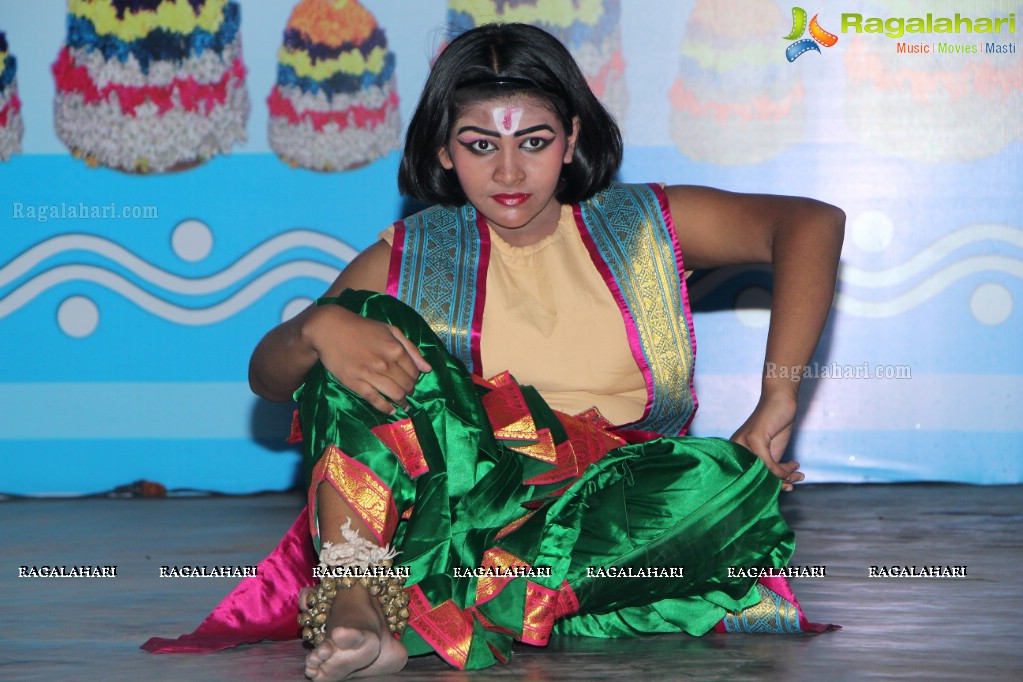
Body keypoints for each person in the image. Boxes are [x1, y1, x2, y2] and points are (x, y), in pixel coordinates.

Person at [143, 22, 843, 681]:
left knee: (727, 483)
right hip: (468, 506)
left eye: (532, 142)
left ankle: (426, 611)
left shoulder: (644, 226)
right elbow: (268, 378)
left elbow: (810, 224)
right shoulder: (413, 255)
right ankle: (357, 595)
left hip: (621, 503)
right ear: (445, 151)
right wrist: (314, 329)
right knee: (352, 322)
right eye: (480, 145)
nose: (509, 172)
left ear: (570, 139)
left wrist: (778, 395)